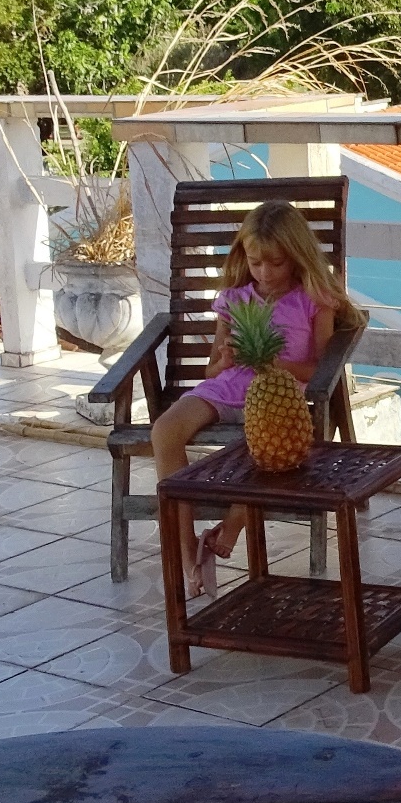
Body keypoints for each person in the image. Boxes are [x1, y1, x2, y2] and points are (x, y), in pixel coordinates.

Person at [150, 199, 358, 590]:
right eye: (256, 262)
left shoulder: (313, 300)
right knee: (165, 430)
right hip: (227, 388)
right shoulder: (234, 299)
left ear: (296, 257)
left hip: (283, 394)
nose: (264, 272)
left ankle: (228, 532)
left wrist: (279, 364)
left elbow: (320, 368)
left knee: (267, 449)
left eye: (276, 263)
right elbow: (211, 370)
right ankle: (187, 552)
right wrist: (225, 358)